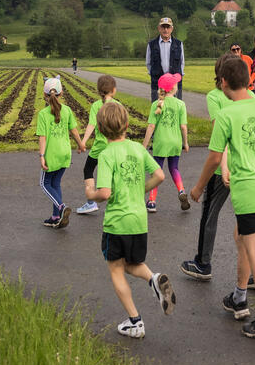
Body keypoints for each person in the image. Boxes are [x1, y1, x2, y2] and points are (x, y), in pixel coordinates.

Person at [190, 55, 255, 340]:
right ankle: (238, 297)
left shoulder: (226, 114)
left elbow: (213, 157)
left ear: (223, 82)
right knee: (242, 237)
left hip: (247, 187)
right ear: (249, 79)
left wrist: (198, 188)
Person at [83, 101, 175, 338]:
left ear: (101, 130)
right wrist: (141, 190)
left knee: (115, 268)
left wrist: (90, 192)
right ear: (126, 124)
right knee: (132, 263)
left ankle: (135, 321)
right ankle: (154, 279)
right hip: (139, 221)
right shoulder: (137, 148)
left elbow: (104, 193)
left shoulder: (105, 155)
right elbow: (160, 175)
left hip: (117, 221)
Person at [182, 54, 237, 280]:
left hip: (223, 166)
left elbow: (220, 134)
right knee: (247, 222)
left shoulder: (215, 96)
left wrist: (199, 185)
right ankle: (252, 273)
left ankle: (203, 263)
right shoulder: (249, 95)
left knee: (210, 214)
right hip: (247, 166)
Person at [36, 76, 86, 228]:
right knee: (55, 183)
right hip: (65, 153)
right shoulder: (67, 110)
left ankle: (61, 207)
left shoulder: (43, 114)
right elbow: (74, 130)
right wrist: (81, 144)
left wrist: (42, 156)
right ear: (61, 93)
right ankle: (55, 217)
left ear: (44, 95)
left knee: (44, 183)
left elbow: (43, 137)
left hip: (52, 154)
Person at [142, 73, 190, 213]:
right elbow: (183, 126)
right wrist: (185, 142)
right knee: (174, 168)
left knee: (156, 171)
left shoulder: (156, 105)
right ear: (174, 88)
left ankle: (152, 201)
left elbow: (151, 127)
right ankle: (181, 191)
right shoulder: (181, 104)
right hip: (175, 142)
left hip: (161, 143)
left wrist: (144, 146)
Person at [75, 74, 120, 215]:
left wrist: (83, 142)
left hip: (99, 147)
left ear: (99, 91)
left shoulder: (96, 105)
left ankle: (91, 203)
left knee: (88, 169)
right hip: (115, 147)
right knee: (115, 173)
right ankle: (118, 201)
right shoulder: (118, 106)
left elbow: (91, 125)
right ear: (113, 90)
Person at [145, 17, 184, 101]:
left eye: (168, 27)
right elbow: (148, 63)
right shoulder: (151, 44)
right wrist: (154, 74)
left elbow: (182, 63)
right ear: (159, 28)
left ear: (172, 29)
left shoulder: (178, 44)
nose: (165, 30)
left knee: (175, 110)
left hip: (174, 85)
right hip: (157, 84)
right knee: (157, 110)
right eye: (163, 27)